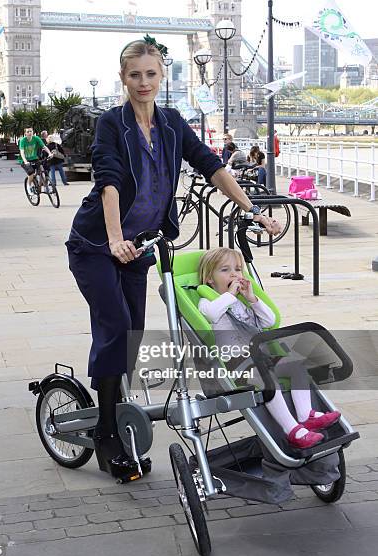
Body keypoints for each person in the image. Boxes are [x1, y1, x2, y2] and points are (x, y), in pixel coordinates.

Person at [65, 35, 281, 481]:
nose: (143, 82)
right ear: (122, 78)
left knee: (134, 334)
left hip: (141, 246)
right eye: (134, 75)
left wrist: (252, 209)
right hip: (96, 246)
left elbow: (211, 165)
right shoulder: (112, 124)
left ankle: (116, 409)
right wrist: (113, 239)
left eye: (151, 74)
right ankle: (107, 434)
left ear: (161, 76)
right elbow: (108, 181)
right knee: (115, 325)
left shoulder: (171, 123)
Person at [197, 248, 341, 449]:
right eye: (224, 270)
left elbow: (269, 320)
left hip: (260, 358)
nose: (233, 274)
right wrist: (230, 294)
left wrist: (252, 299)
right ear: (209, 280)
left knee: (296, 364)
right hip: (238, 365)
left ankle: (305, 415)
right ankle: (292, 430)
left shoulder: (240, 303)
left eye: (238, 269)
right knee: (268, 381)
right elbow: (212, 314)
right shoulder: (207, 302)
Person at [18, 127, 52, 193]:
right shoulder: (23, 140)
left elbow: (44, 147)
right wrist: (25, 161)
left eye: (31, 131)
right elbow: (22, 152)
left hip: (34, 158)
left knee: (42, 171)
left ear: (33, 132)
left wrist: (50, 153)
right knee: (31, 172)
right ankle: (29, 186)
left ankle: (45, 187)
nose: (29, 133)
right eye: (28, 132)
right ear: (25, 133)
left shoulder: (36, 138)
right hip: (25, 160)